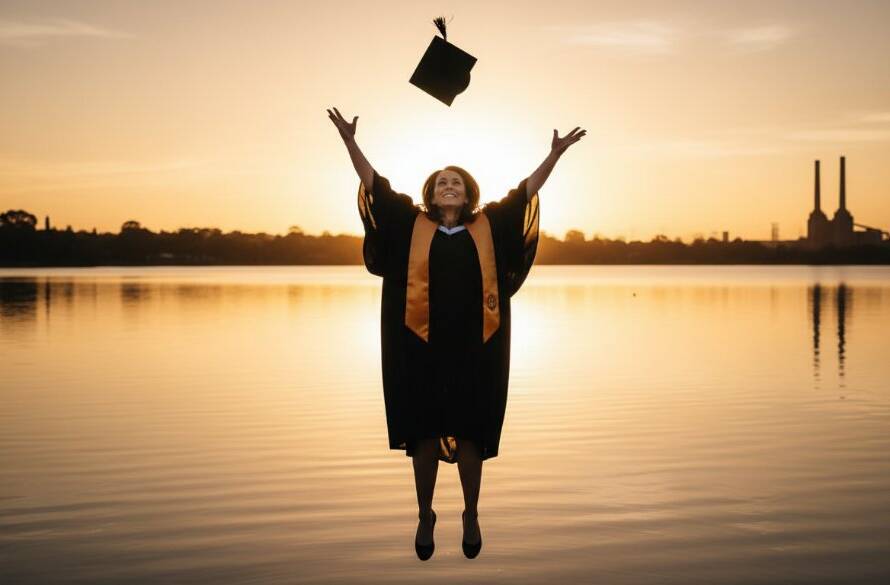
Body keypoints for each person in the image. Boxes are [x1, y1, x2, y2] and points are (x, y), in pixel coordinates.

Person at [327, 107, 585, 560]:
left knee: (471, 434)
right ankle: (425, 513)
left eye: (457, 182)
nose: (449, 186)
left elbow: (525, 191)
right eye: (441, 181)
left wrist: (555, 155)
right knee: (423, 435)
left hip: (475, 350)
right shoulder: (412, 224)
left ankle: (470, 512)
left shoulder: (488, 225)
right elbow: (375, 186)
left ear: (468, 195)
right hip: (418, 348)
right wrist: (349, 140)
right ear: (430, 193)